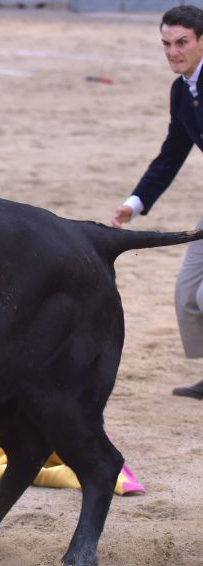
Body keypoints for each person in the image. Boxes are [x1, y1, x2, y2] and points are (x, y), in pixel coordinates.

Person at [111, 5, 203, 400]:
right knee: (188, 296)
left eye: (182, 42)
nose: (173, 51)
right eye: (166, 43)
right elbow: (172, 152)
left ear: (202, 42)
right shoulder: (182, 90)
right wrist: (136, 201)